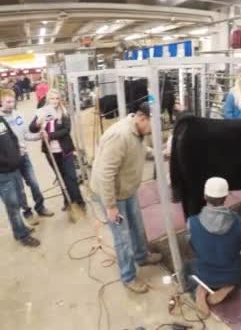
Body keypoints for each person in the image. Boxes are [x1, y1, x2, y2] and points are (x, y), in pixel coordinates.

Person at [90, 103, 162, 293]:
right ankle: (128, 276)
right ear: (142, 118)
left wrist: (160, 153)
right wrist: (111, 206)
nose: (153, 130)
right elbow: (106, 173)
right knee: (122, 237)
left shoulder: (139, 132)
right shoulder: (120, 136)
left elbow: (142, 150)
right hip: (111, 194)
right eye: (153, 125)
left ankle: (141, 256)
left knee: (137, 226)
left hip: (127, 190)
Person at [184, 177, 241, 317]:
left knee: (188, 265)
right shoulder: (239, 222)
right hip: (230, 273)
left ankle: (201, 289)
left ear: (204, 196)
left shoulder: (191, 223)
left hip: (204, 272)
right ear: (226, 197)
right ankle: (227, 286)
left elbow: (192, 246)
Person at [0, 89, 54, 227]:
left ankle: (40, 207)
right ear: (1, 102)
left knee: (34, 183)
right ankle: (27, 212)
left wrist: (39, 136)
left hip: (24, 158)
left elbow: (26, 135)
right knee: (20, 190)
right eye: (8, 102)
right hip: (11, 162)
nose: (11, 104)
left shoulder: (18, 115)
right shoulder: (1, 120)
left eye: (13, 101)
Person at [29, 89, 86, 210]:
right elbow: (32, 129)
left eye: (57, 98)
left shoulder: (64, 113)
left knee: (71, 176)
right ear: (47, 100)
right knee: (60, 177)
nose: (55, 101)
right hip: (51, 152)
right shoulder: (42, 112)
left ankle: (78, 200)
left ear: (60, 99)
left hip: (65, 150)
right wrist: (37, 123)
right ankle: (67, 201)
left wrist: (49, 136)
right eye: (52, 98)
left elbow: (66, 130)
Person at [0, 112, 40, 247]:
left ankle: (19, 229)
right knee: (13, 206)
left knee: (19, 198)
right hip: (3, 174)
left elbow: (12, 137)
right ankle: (22, 235)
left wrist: (16, 155)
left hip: (14, 167)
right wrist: (7, 162)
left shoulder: (0, 120)